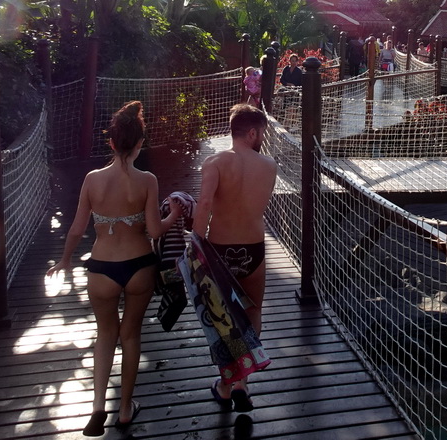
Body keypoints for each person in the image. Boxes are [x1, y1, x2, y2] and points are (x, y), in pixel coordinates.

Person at [47, 101, 182, 436]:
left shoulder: (93, 179)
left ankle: (96, 408)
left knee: (105, 335)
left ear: (110, 142)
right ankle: (125, 409)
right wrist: (175, 216)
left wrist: (64, 260)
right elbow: (154, 231)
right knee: (131, 335)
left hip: (101, 268)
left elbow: (78, 228)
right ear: (140, 143)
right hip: (139, 267)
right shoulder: (147, 180)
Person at [193, 103, 278, 411]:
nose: (262, 140)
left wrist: (195, 244)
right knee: (253, 312)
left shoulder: (214, 162)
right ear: (252, 132)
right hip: (254, 249)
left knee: (222, 319)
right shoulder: (269, 165)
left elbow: (204, 205)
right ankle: (242, 382)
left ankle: (227, 385)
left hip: (220, 251)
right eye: (262, 134)